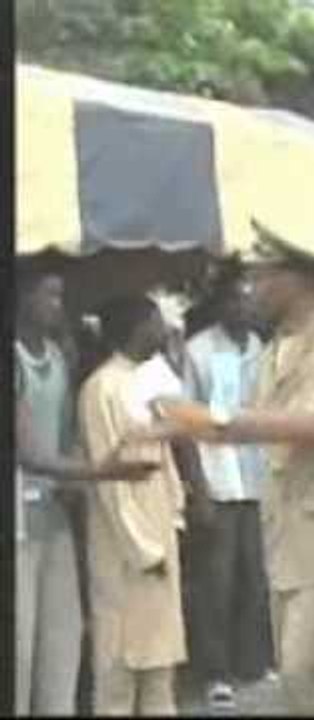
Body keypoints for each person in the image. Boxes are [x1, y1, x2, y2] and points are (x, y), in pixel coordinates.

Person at [128, 224, 314, 713]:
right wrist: (183, 426)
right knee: (306, 683)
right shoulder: (275, 349)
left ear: (298, 280)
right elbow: (250, 421)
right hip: (287, 538)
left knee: (306, 670)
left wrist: (213, 420)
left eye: (263, 276)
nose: (253, 288)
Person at [15, 271, 158, 717]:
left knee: (62, 632)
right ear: (21, 297)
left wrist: (83, 476)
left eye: (61, 294)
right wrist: (103, 471)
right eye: (49, 294)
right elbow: (30, 454)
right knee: (20, 640)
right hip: (19, 517)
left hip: (54, 512)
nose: (59, 304)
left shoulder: (58, 356)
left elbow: (64, 437)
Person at [78, 295, 189, 715]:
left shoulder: (146, 381)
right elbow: (109, 480)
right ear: (136, 327)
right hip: (127, 550)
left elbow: (164, 454)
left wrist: (175, 513)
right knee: (119, 669)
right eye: (158, 323)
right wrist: (143, 550)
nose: (164, 331)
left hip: (160, 530)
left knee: (160, 668)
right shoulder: (100, 387)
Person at [182, 269, 274, 709]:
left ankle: (252, 663)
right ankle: (215, 672)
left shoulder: (257, 347)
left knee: (254, 577)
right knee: (215, 582)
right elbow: (185, 418)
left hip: (255, 480)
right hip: (217, 481)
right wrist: (197, 488)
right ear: (221, 305)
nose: (246, 308)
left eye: (250, 300)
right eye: (237, 300)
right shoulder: (198, 350)